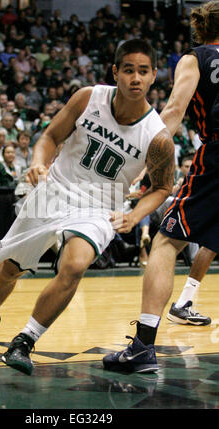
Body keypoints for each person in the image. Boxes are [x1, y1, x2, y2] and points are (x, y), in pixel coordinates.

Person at [0, 39, 175, 375]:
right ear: (115, 72)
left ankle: (25, 341)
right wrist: (37, 162)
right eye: (129, 70)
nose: (135, 78)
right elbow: (49, 137)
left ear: (153, 77)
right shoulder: (88, 97)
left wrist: (135, 215)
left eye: (143, 71)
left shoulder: (158, 136)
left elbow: (162, 187)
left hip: (99, 206)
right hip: (55, 188)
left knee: (75, 266)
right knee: (10, 269)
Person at [103, 1, 219, 374]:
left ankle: (143, 347)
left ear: (200, 29)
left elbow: (173, 112)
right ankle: (184, 305)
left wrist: (143, 160)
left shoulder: (195, 58)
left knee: (167, 239)